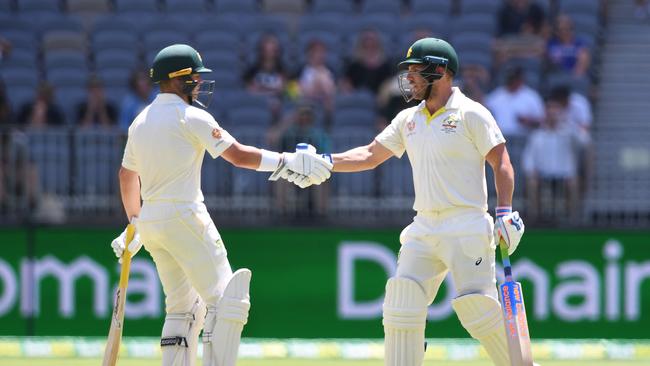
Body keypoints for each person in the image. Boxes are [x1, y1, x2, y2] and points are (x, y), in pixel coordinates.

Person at [110, 44, 332, 366]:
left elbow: (126, 175)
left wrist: (135, 221)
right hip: (184, 213)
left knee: (182, 308)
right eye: (195, 77)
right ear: (177, 78)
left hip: (153, 221)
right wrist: (287, 161)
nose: (199, 84)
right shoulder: (191, 116)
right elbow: (238, 155)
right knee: (227, 301)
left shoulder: (140, 121)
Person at [314, 38, 528, 366]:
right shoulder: (408, 119)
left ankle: (522, 364)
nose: (409, 77)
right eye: (408, 71)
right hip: (424, 225)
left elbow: (502, 163)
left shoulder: (472, 113)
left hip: (467, 224)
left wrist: (504, 212)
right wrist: (323, 161)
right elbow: (370, 155)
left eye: (416, 70)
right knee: (403, 301)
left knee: (477, 309)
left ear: (441, 71)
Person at [485, 66, 545, 138]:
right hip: (499, 138)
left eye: (515, 79)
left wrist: (530, 122)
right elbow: (483, 107)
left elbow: (542, 122)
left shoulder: (531, 96)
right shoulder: (497, 94)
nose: (512, 82)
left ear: (521, 80)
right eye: (510, 79)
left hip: (523, 138)